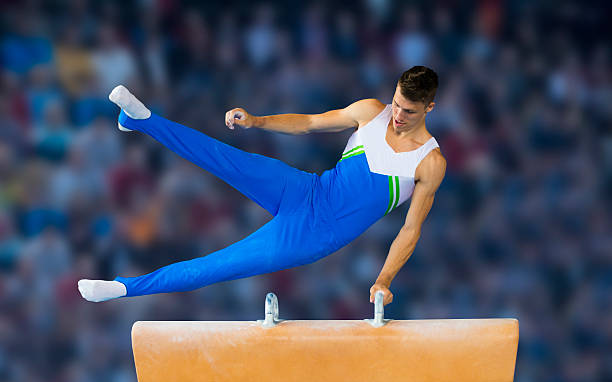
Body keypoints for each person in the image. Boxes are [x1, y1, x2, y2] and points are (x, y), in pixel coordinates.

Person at [78, 65, 446, 306]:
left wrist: (383, 280)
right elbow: (309, 123)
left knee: (215, 266)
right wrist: (257, 121)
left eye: (409, 111)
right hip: (306, 189)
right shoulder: (371, 111)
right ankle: (141, 120)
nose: (397, 116)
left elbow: (410, 230)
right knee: (223, 157)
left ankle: (125, 286)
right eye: (397, 103)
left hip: (312, 235)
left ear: (429, 108)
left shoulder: (429, 163)